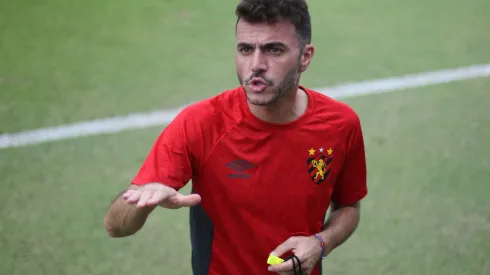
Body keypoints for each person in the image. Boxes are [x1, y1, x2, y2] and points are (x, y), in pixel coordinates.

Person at [103, 0, 368, 274]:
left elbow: (349, 207)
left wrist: (321, 243)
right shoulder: (200, 124)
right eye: (245, 49)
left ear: (305, 56)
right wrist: (142, 203)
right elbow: (115, 226)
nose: (256, 65)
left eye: (273, 50)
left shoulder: (340, 125)